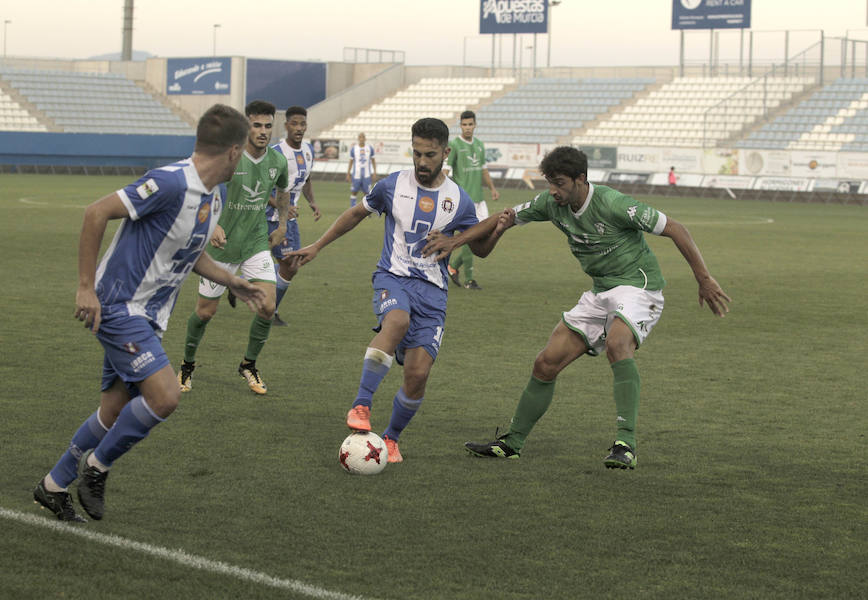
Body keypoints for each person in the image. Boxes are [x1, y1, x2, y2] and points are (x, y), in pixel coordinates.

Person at [423, 146, 731, 469]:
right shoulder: (550, 203)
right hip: (601, 292)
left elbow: (676, 229)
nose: (553, 191)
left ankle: (626, 444)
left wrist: (704, 279)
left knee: (617, 343)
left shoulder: (613, 204)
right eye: (549, 184)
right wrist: (455, 241)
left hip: (639, 286)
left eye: (559, 183)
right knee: (546, 362)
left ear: (580, 179)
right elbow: (505, 218)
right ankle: (512, 442)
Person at [33, 105, 267, 522]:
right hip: (119, 306)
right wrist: (85, 287)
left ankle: (52, 485)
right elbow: (95, 212)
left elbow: (189, 253)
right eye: (245, 147)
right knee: (164, 395)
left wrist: (231, 280)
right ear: (233, 151)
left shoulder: (214, 196)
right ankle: (96, 467)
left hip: (149, 316)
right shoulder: (170, 182)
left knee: (113, 411)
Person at [288, 117, 509, 464]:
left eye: (430, 155)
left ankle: (390, 439)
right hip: (393, 278)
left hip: (434, 293)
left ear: (445, 153)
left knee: (418, 374)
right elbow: (355, 214)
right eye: (417, 154)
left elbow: (479, 249)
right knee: (397, 321)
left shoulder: (459, 200)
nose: (422, 162)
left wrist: (497, 231)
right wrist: (318, 245)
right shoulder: (392, 186)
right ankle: (361, 404)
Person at [177, 100, 290, 396]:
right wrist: (212, 225)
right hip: (221, 247)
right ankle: (187, 365)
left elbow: (283, 189)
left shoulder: (277, 161)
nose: (263, 131)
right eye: (257, 125)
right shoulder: (230, 156)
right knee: (204, 313)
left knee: (267, 305)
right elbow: (201, 184)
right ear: (246, 126)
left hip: (254, 243)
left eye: (268, 126)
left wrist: (281, 225)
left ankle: (248, 365)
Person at [264, 105, 322, 326]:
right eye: (295, 124)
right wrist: (281, 208)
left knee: (293, 264)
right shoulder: (276, 153)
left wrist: (313, 202)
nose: (299, 128)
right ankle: (270, 312)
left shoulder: (307, 150)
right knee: (289, 265)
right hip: (270, 217)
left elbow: (306, 179)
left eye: (303, 124)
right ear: (286, 125)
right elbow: (261, 189)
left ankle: (242, 282)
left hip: (290, 218)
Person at [445, 110, 499, 290]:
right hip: (464, 200)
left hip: (479, 199)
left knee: (482, 237)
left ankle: (453, 267)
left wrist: (492, 188)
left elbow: (483, 170)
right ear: (460, 126)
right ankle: (469, 280)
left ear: (475, 125)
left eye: (470, 124)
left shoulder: (479, 145)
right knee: (471, 237)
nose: (467, 128)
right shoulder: (454, 144)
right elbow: (446, 170)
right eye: (464, 124)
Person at [347, 132, 377, 207]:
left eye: (363, 137)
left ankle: (367, 210)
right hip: (356, 175)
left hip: (366, 175)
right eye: (360, 137)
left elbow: (373, 161)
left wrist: (374, 172)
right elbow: (351, 161)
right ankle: (352, 208)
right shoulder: (354, 149)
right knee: (354, 192)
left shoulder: (369, 148)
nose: (361, 139)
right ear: (358, 139)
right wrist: (348, 173)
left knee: (367, 193)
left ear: (365, 139)